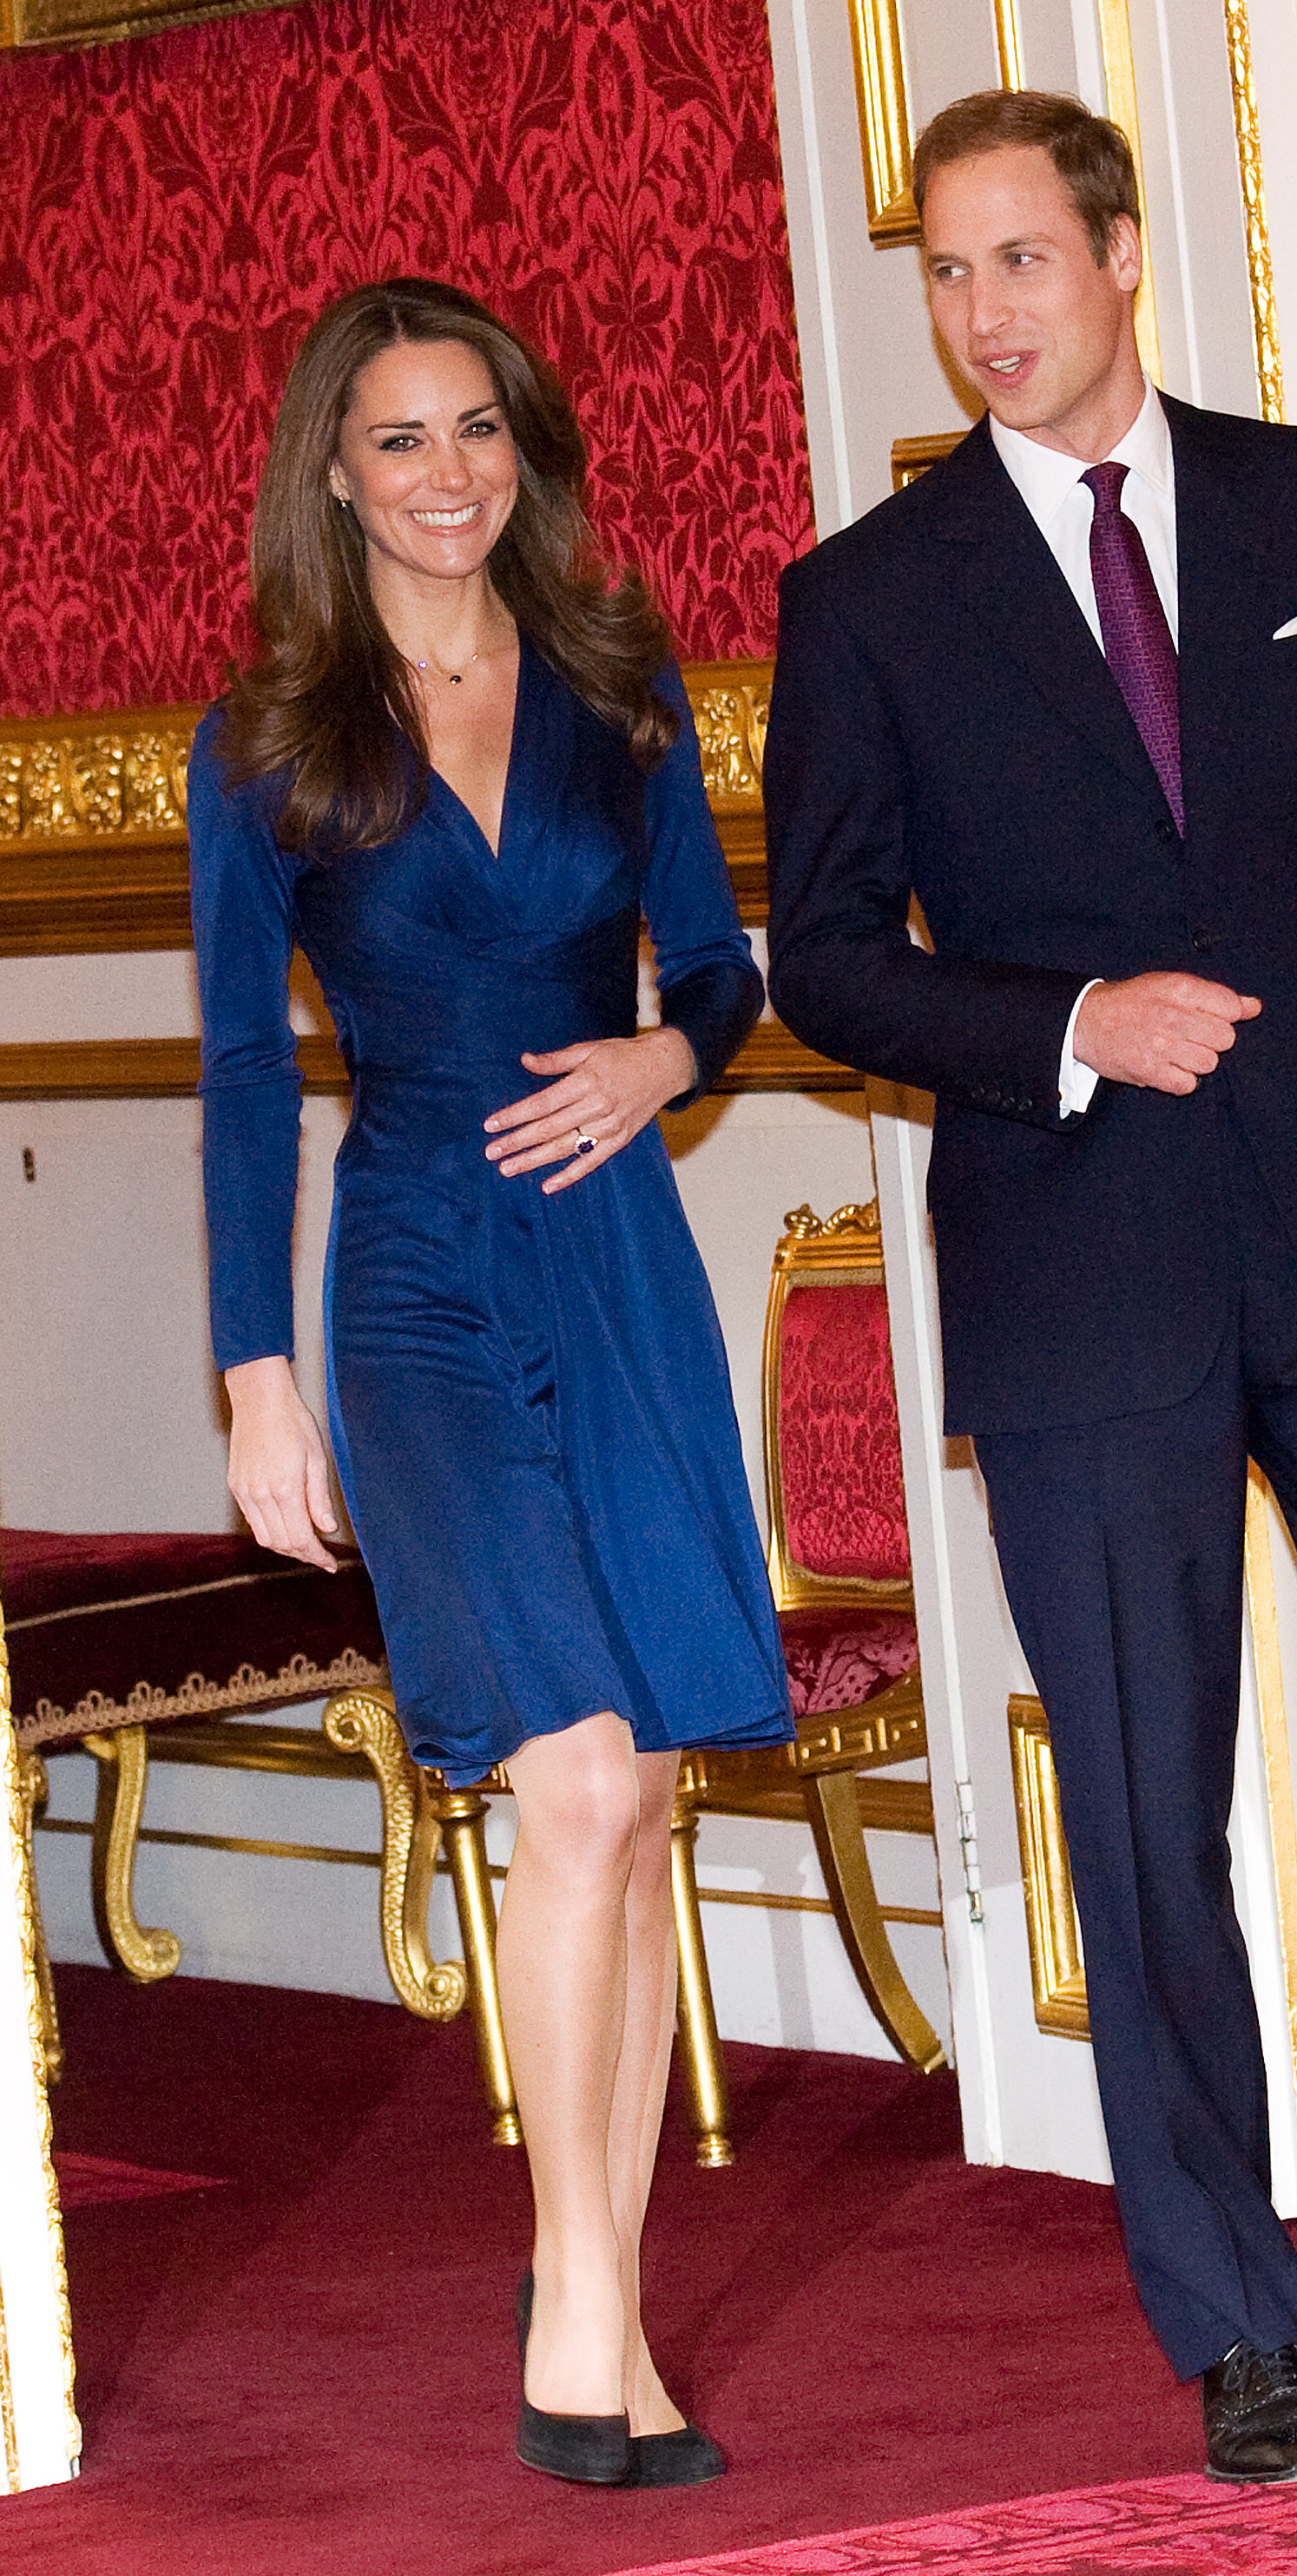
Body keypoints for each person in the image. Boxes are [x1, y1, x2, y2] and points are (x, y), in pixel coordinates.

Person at [764, 92, 1297, 2486]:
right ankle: (1235, 2313)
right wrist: (1053, 1025)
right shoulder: (872, 597)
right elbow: (822, 960)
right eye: (944, 273)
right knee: (1142, 1811)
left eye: (1019, 262)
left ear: (1118, 258)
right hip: (1080, 1264)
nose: (979, 315)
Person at [188, 278, 793, 2489]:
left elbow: (722, 969)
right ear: (331, 473)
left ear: (520, 452)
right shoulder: (268, 737)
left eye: (479, 432)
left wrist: (662, 1050)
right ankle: (580, 2296)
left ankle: (605, 2304)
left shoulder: (620, 696)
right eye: (401, 439)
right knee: (563, 1777)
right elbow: (249, 1067)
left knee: (632, 1798)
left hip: (615, 1260)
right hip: (420, 1278)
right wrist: (256, 1372)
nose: (446, 474)